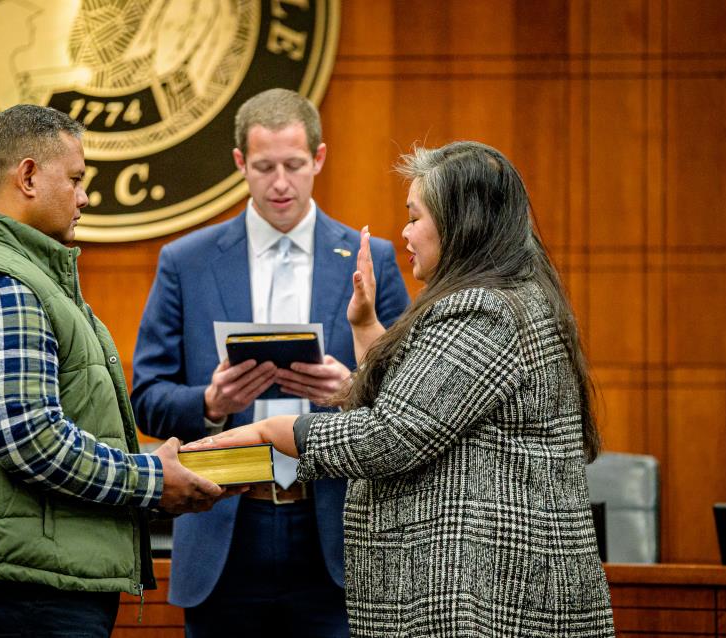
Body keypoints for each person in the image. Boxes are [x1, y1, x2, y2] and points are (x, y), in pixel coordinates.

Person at [187, 141, 617, 636]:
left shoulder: (482, 310)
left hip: (488, 600)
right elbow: (417, 408)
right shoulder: (507, 297)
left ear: (460, 222)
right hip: (495, 592)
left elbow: (390, 437)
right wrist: (365, 324)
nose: (406, 233)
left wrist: (272, 430)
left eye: (415, 217)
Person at [0, 104, 230, 636]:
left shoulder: (27, 275)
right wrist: (151, 478)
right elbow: (31, 440)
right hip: (26, 590)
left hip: (31, 575)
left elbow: (46, 430)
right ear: (28, 177)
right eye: (76, 179)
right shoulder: (6, 285)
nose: (84, 196)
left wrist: (165, 464)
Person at [130, 88, 410, 636]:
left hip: (334, 529)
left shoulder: (369, 258)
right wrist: (210, 404)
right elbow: (145, 398)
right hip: (225, 523)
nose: (280, 183)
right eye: (263, 167)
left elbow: (412, 398)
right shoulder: (185, 261)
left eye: (293, 165)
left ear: (319, 160)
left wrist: (352, 388)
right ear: (240, 164)